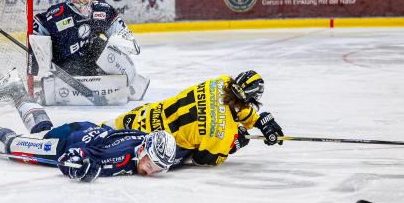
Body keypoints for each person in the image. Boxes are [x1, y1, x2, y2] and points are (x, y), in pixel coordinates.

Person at [0, 75, 183, 182]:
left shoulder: (147, 145)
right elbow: (73, 156)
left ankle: (17, 92)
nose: (151, 170)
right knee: (17, 149)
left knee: (42, 131)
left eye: (158, 168)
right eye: (151, 164)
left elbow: (177, 152)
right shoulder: (115, 154)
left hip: (84, 130)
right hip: (69, 141)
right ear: (144, 150)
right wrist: (81, 167)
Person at [105, 71, 285, 166]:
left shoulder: (220, 82)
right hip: (145, 143)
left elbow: (234, 103)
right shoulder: (223, 135)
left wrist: (258, 120)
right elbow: (201, 160)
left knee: (95, 131)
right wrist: (233, 143)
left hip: (138, 115)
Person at [30, 0, 149, 104]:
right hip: (66, 63)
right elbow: (38, 25)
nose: (89, 1)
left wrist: (127, 39)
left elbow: (118, 29)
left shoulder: (102, 10)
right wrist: (41, 58)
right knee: (73, 65)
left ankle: (128, 78)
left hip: (89, 58)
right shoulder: (58, 15)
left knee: (102, 45)